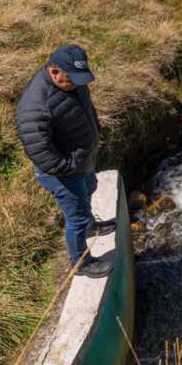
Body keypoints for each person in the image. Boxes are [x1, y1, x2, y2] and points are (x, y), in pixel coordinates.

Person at [16, 45, 116, 278]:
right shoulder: (35, 105)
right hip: (62, 172)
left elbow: (88, 109)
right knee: (76, 217)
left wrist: (96, 132)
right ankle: (81, 264)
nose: (77, 84)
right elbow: (39, 151)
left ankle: (91, 227)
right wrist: (71, 168)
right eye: (72, 79)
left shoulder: (73, 80)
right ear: (54, 73)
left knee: (90, 188)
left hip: (82, 159)